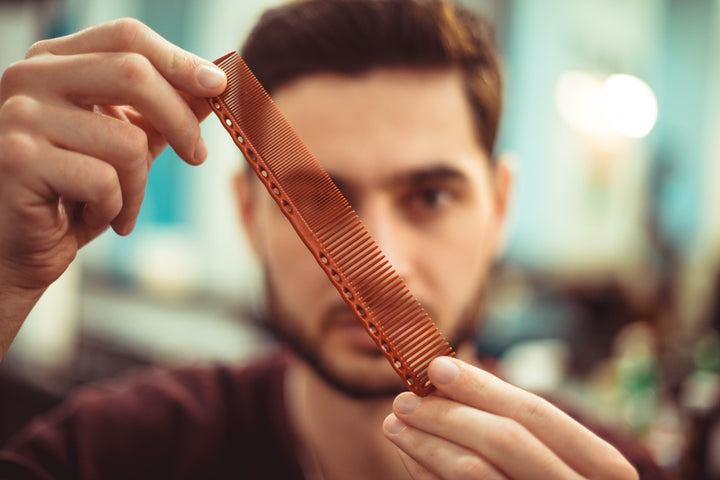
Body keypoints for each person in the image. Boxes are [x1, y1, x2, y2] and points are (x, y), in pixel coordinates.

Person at [0, 0, 666, 478]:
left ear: (499, 208)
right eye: (317, 201)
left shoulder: (612, 472)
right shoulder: (110, 455)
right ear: (247, 213)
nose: (381, 261)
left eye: (430, 197)